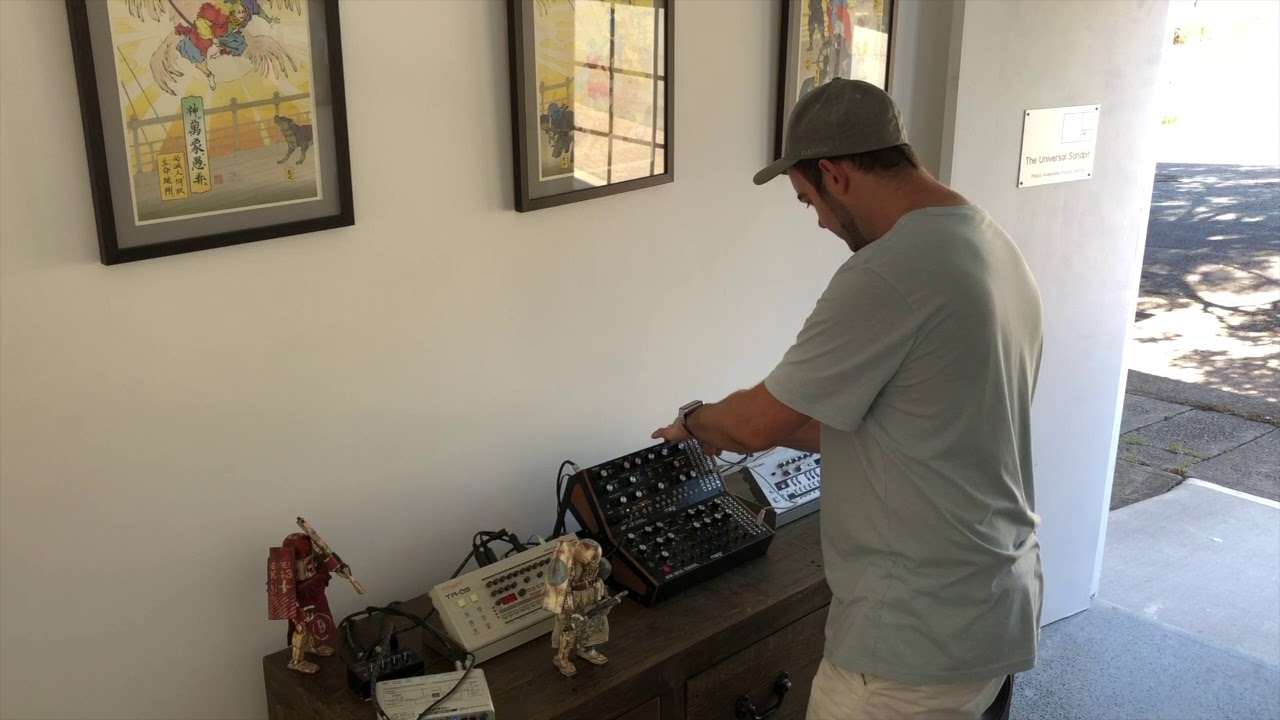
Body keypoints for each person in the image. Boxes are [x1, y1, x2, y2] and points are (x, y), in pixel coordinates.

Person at [651, 78, 1044, 719]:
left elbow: (755, 423)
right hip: (994, 606)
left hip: (907, 651)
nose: (820, 221)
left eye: (809, 201)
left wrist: (697, 421)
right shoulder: (991, 243)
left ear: (835, 174)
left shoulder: (889, 271)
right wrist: (731, 430)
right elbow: (902, 426)